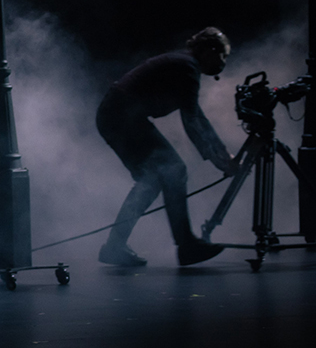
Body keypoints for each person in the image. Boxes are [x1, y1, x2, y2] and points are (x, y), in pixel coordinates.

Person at [96, 27, 234, 267]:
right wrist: (220, 159)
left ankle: (115, 246)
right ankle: (186, 246)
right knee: (173, 169)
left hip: (118, 116)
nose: (223, 62)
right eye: (223, 55)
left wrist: (220, 155)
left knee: (152, 180)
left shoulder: (185, 65)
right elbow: (192, 121)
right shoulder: (187, 67)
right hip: (121, 117)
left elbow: (197, 117)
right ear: (210, 50)